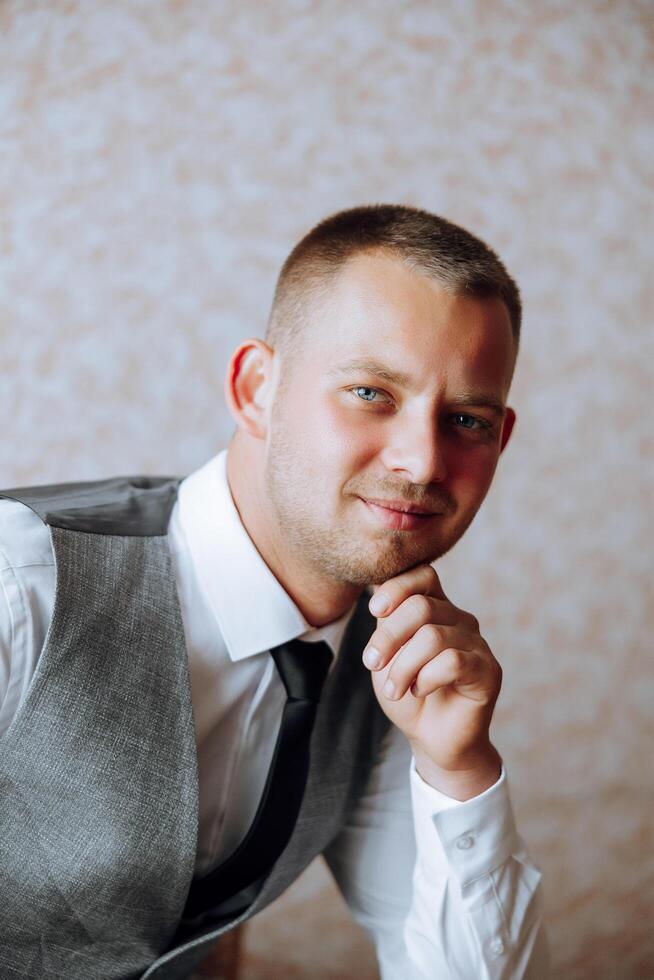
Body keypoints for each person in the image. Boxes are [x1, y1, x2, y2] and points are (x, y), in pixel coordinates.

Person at [0, 204, 548, 979]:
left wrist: (459, 768)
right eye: (370, 392)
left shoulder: (397, 672)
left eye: (466, 419)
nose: (423, 462)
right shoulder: (22, 578)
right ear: (256, 388)